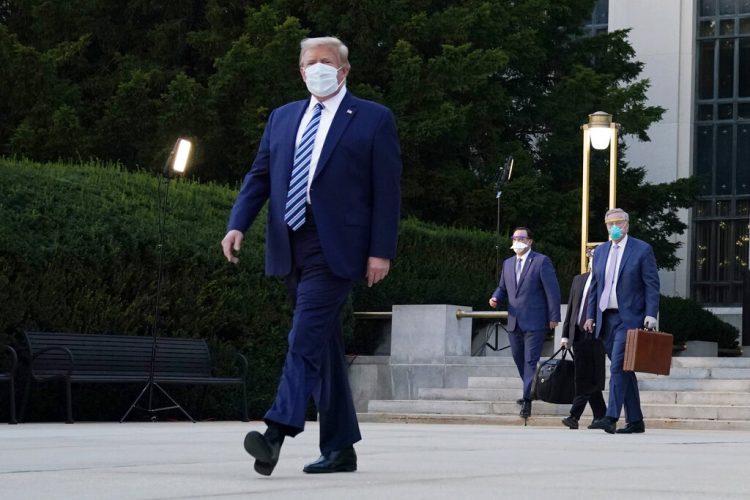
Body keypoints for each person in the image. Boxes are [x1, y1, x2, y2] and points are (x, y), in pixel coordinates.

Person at [221, 36, 402, 475]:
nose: (316, 68)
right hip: (289, 243)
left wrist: (381, 251)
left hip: (337, 249)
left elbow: (387, 191)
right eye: (309, 62)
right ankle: (341, 448)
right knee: (321, 346)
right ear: (300, 71)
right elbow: (260, 175)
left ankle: (275, 433)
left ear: (343, 70)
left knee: (303, 336)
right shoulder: (282, 118)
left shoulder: (374, 118)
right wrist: (237, 223)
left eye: (325, 61)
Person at [584, 208, 659, 434]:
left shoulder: (642, 249)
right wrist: (590, 314)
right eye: (609, 224)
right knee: (626, 369)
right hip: (606, 318)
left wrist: (651, 313)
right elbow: (595, 286)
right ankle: (636, 420)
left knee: (617, 365)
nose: (614, 227)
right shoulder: (600, 252)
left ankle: (611, 416)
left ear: (627, 224)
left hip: (630, 318)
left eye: (618, 223)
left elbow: (651, 284)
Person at [489, 227, 561, 418]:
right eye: (514, 238)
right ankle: (531, 389)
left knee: (530, 360)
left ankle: (527, 400)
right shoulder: (507, 263)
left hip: (535, 321)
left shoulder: (541, 261)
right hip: (514, 321)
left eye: (521, 238)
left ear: (530, 241)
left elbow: (552, 291)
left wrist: (554, 317)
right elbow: (502, 287)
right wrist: (495, 297)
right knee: (518, 358)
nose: (517, 241)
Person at [559, 246, 606, 429]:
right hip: (577, 334)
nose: (593, 260)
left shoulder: (605, 281)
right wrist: (564, 336)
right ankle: (601, 416)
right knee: (586, 377)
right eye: (591, 257)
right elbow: (571, 309)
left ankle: (574, 415)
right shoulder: (578, 280)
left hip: (595, 335)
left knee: (588, 376)